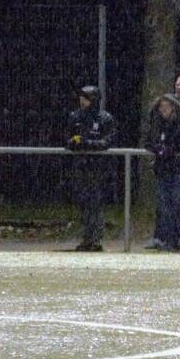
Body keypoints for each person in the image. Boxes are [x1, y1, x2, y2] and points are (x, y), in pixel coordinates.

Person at [65, 85, 116, 252]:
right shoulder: (75, 116)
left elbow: (108, 141)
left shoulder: (105, 118)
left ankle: (96, 239)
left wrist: (89, 144)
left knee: (96, 203)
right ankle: (86, 238)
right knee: (83, 203)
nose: (82, 101)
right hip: (80, 166)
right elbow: (67, 138)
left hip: (98, 167)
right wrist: (73, 143)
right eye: (81, 97)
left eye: (86, 98)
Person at [144, 93, 180, 251]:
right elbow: (148, 141)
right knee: (163, 206)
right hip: (163, 170)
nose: (163, 109)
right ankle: (163, 239)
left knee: (178, 205)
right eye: (161, 107)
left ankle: (177, 239)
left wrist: (170, 150)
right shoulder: (156, 124)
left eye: (167, 106)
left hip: (179, 170)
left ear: (173, 107)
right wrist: (157, 148)